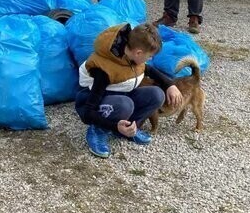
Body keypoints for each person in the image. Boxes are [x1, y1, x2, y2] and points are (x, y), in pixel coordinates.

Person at [75, 23, 183, 159]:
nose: (150, 60)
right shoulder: (103, 70)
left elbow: (148, 69)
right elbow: (87, 113)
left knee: (157, 95)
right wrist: (114, 126)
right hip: (91, 102)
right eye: (149, 56)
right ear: (138, 53)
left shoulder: (129, 53)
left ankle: (128, 129)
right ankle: (98, 131)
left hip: (117, 96)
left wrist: (169, 85)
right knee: (125, 104)